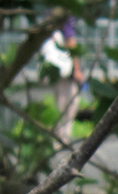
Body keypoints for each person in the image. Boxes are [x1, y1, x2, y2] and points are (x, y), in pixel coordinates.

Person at [41, 16, 84, 146]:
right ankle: (61, 138)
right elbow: (71, 42)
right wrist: (77, 69)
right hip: (64, 70)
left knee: (60, 102)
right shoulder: (66, 18)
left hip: (55, 68)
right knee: (68, 104)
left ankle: (59, 136)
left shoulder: (49, 14)